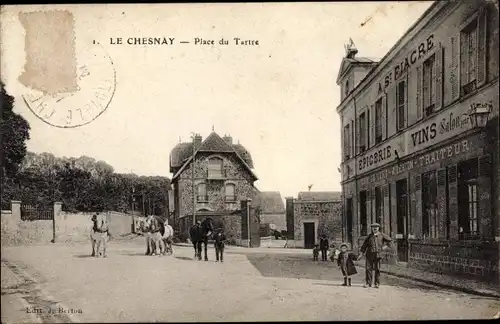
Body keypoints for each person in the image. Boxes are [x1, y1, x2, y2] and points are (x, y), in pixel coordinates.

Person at [357, 223, 393, 288]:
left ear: (378, 228)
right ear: (371, 228)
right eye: (373, 227)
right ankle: (368, 283)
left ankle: (377, 283)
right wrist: (361, 254)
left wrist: (385, 247)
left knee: (377, 269)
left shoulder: (382, 235)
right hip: (369, 255)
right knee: (368, 269)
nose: (375, 228)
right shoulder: (369, 237)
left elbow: (390, 240)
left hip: (378, 255)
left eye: (376, 227)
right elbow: (364, 246)